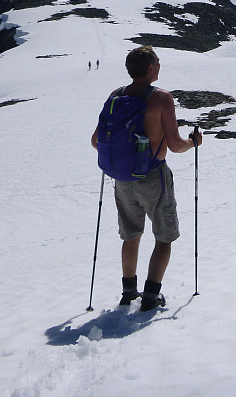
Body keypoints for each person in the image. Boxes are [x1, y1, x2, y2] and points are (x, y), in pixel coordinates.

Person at [91, 45, 201, 310]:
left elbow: (96, 141)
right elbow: (174, 145)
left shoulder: (115, 96)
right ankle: (151, 297)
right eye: (158, 63)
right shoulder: (161, 98)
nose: (160, 66)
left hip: (122, 179)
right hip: (153, 174)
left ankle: (129, 292)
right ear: (151, 68)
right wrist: (193, 142)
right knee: (164, 236)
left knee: (131, 235)